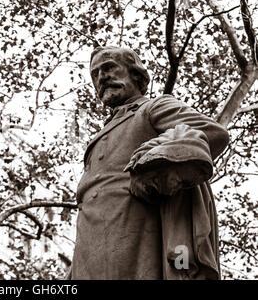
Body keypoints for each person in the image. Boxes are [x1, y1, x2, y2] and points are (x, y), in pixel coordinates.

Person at [67, 46, 230, 280]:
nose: (102, 77)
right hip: (90, 246)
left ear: (135, 73)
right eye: (96, 74)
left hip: (137, 236)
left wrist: (153, 163)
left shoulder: (151, 107)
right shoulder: (101, 134)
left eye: (109, 68)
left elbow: (212, 133)